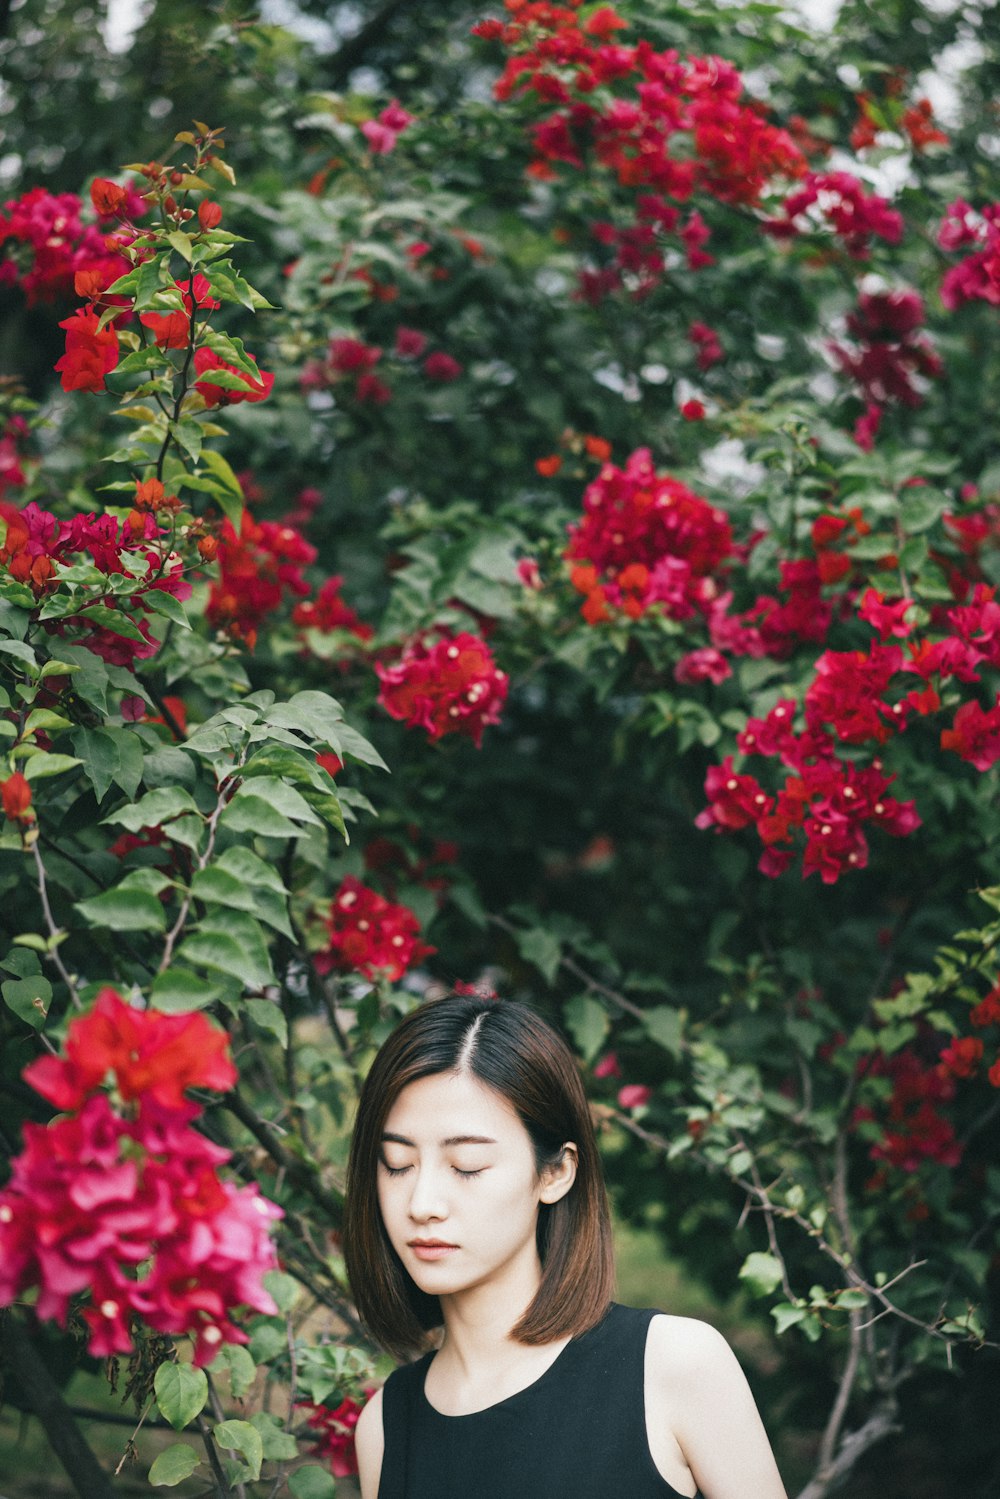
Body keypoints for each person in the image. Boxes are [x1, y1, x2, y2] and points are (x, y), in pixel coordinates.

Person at [343, 992, 788, 1499]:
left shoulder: (672, 1365)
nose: (422, 1203)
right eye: (397, 1163)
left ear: (555, 1173)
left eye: (466, 1166)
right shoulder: (385, 1427)